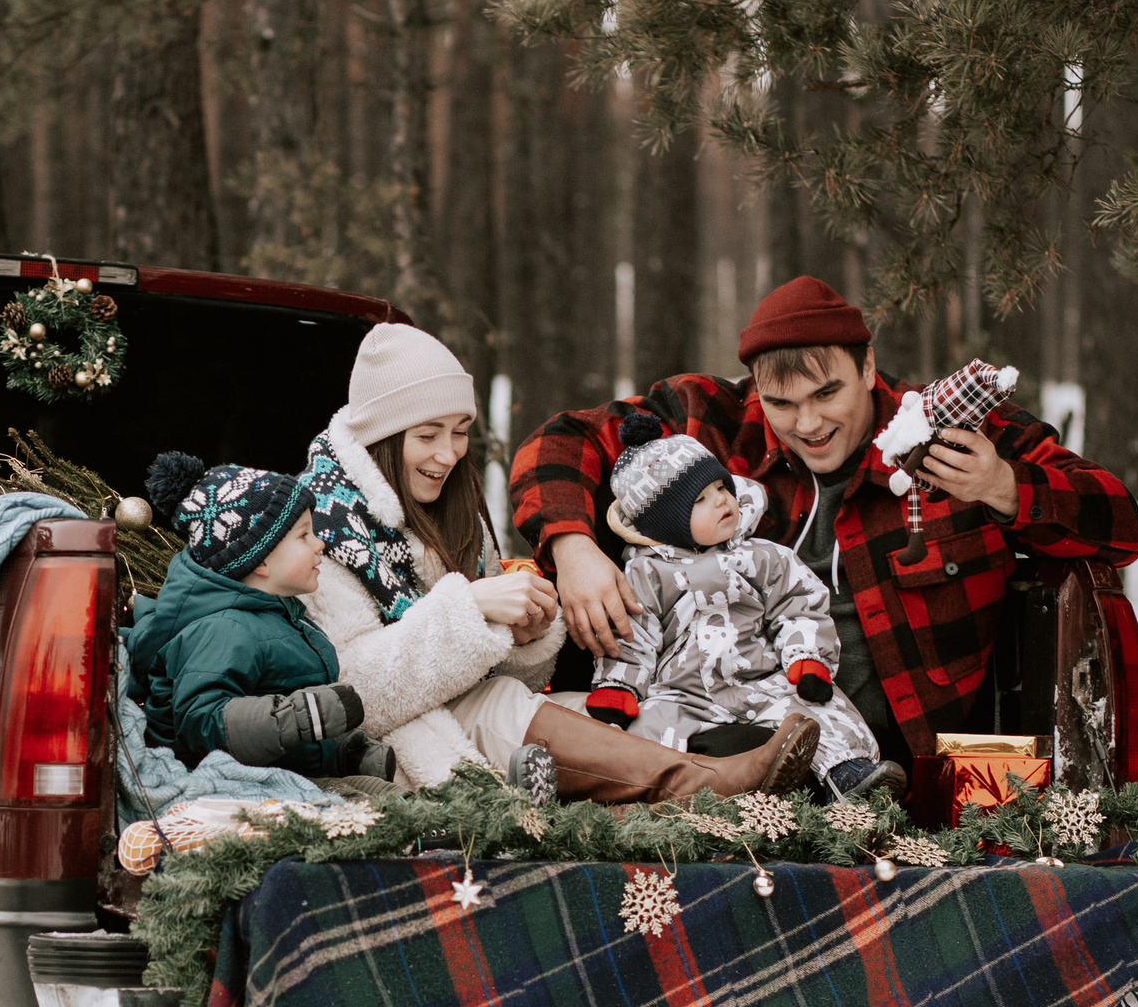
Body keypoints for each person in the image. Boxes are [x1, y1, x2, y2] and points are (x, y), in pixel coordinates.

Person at [509, 277, 1138, 770]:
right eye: (781, 402)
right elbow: (560, 443)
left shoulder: (947, 432)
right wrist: (572, 547)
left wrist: (1003, 486)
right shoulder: (710, 420)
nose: (807, 424)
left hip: (896, 778)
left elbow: (1118, 522)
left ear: (868, 369)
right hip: (713, 747)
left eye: (826, 394)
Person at [300, 322, 819, 801]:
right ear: (381, 437)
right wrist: (468, 609)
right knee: (505, 702)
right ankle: (709, 789)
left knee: (603, 711)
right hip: (389, 746)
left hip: (463, 714)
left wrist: (525, 636)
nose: (448, 453)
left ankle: (736, 776)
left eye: (459, 431)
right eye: (427, 435)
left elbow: (489, 669)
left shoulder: (452, 510)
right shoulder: (319, 526)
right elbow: (349, 694)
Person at [587, 413, 902, 800]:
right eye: (700, 500)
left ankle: (850, 774)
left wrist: (806, 657)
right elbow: (634, 634)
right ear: (666, 524)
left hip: (760, 679)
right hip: (682, 693)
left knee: (816, 712)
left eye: (721, 486)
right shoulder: (646, 574)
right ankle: (651, 799)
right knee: (647, 737)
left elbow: (799, 604)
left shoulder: (763, 556)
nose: (721, 500)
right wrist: (619, 686)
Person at [126, 453, 398, 783]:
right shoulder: (224, 629)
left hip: (284, 778)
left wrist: (345, 751)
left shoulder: (282, 616)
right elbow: (203, 720)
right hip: (223, 788)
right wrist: (300, 716)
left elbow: (291, 720)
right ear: (260, 561)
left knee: (391, 804)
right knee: (375, 815)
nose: (320, 543)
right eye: (304, 535)